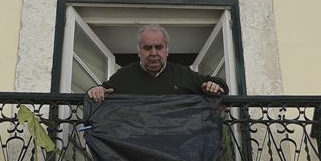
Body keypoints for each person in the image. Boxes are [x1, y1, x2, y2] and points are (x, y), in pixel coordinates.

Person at [87, 24, 228, 102]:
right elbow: (102, 90)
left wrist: (214, 86)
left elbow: (220, 86)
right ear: (139, 52)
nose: (153, 53)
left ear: (167, 50)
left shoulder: (182, 73)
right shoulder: (124, 75)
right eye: (147, 48)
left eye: (159, 47)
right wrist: (96, 89)